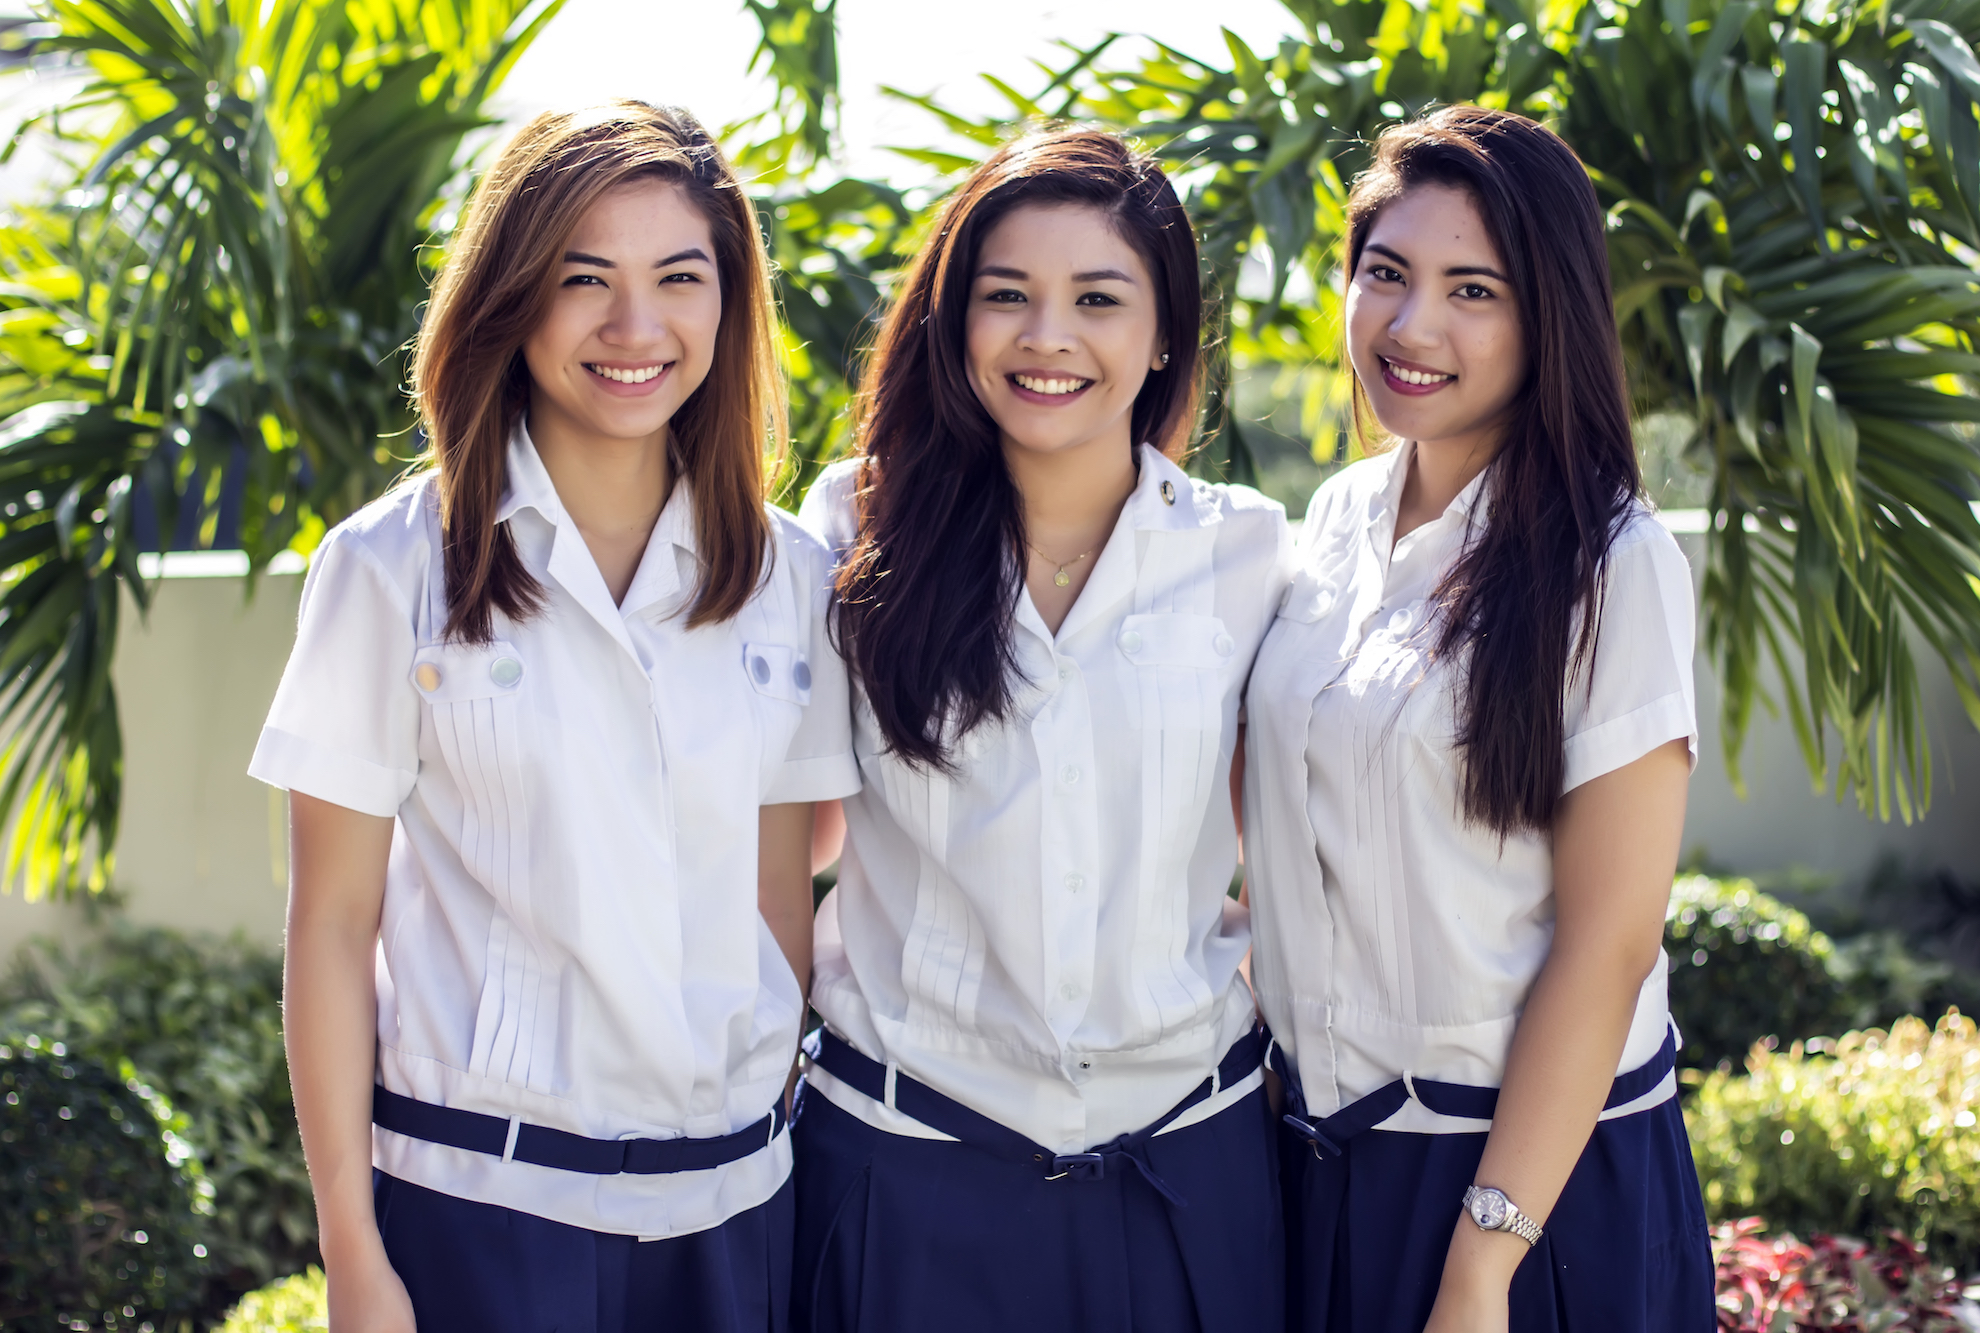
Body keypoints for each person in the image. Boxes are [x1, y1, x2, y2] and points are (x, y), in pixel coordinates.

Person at [254, 103, 856, 1333]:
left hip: (736, 1198)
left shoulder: (788, 577)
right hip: (482, 1204)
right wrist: (352, 1256)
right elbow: (330, 923)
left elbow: (783, 885)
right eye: (586, 279)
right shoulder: (389, 569)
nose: (635, 328)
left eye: (678, 278)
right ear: (511, 295)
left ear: (727, 306)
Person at [791, 126, 1291, 1333]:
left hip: (1188, 1169)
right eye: (1004, 296)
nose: (1046, 336)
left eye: (1097, 299)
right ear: (951, 320)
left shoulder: (1247, 552)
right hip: (906, 1164)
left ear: (1164, 330)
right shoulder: (847, 529)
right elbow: (791, 841)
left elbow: (1288, 842)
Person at [1244, 104, 1714, 1333]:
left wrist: (1481, 1264)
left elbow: (1606, 942)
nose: (1412, 326)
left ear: (1545, 312)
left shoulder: (1611, 562)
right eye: (1385, 274)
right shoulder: (1334, 521)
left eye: (1473, 290)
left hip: (1525, 1194)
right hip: (1320, 1159)